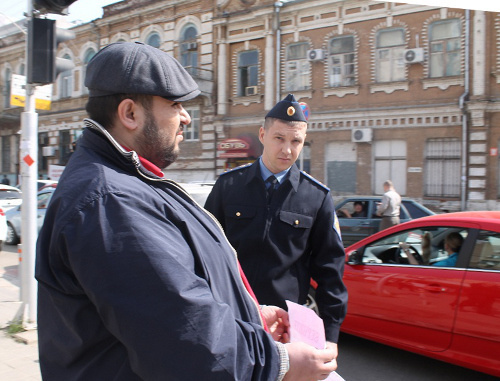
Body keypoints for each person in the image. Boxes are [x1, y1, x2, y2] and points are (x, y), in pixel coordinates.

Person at [35, 43, 337, 381]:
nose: (186, 117)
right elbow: (184, 337)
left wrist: (250, 314)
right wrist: (278, 363)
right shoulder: (112, 201)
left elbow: (184, 289)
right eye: (175, 104)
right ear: (130, 114)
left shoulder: (128, 181)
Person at [204, 94, 348, 358]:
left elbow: (330, 270)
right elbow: (203, 251)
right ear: (262, 135)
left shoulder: (316, 197)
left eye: (296, 141)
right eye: (279, 138)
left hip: (286, 326)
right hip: (232, 316)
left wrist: (330, 334)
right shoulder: (228, 187)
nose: (287, 150)